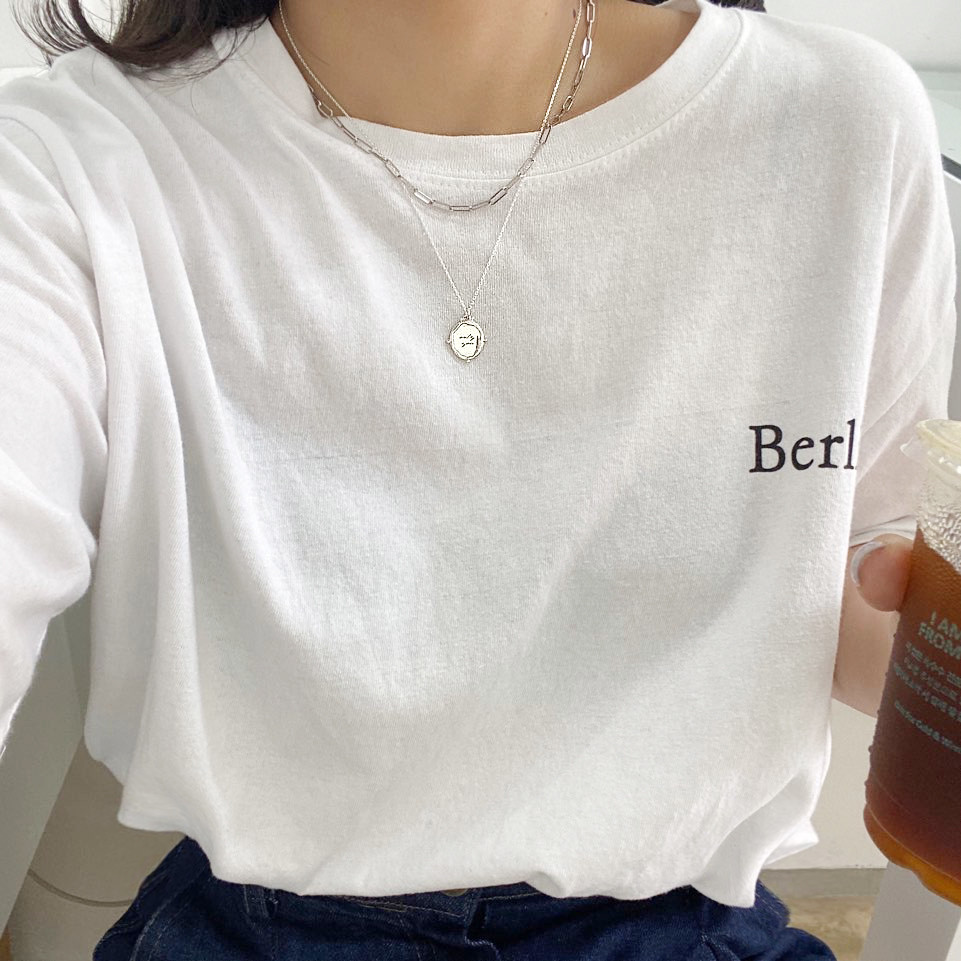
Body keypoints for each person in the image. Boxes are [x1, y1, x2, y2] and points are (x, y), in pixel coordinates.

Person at [0, 0, 954, 957]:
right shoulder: (64, 165)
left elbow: (861, 587)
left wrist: (929, 652)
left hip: (679, 921)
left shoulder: (837, 125)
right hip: (255, 925)